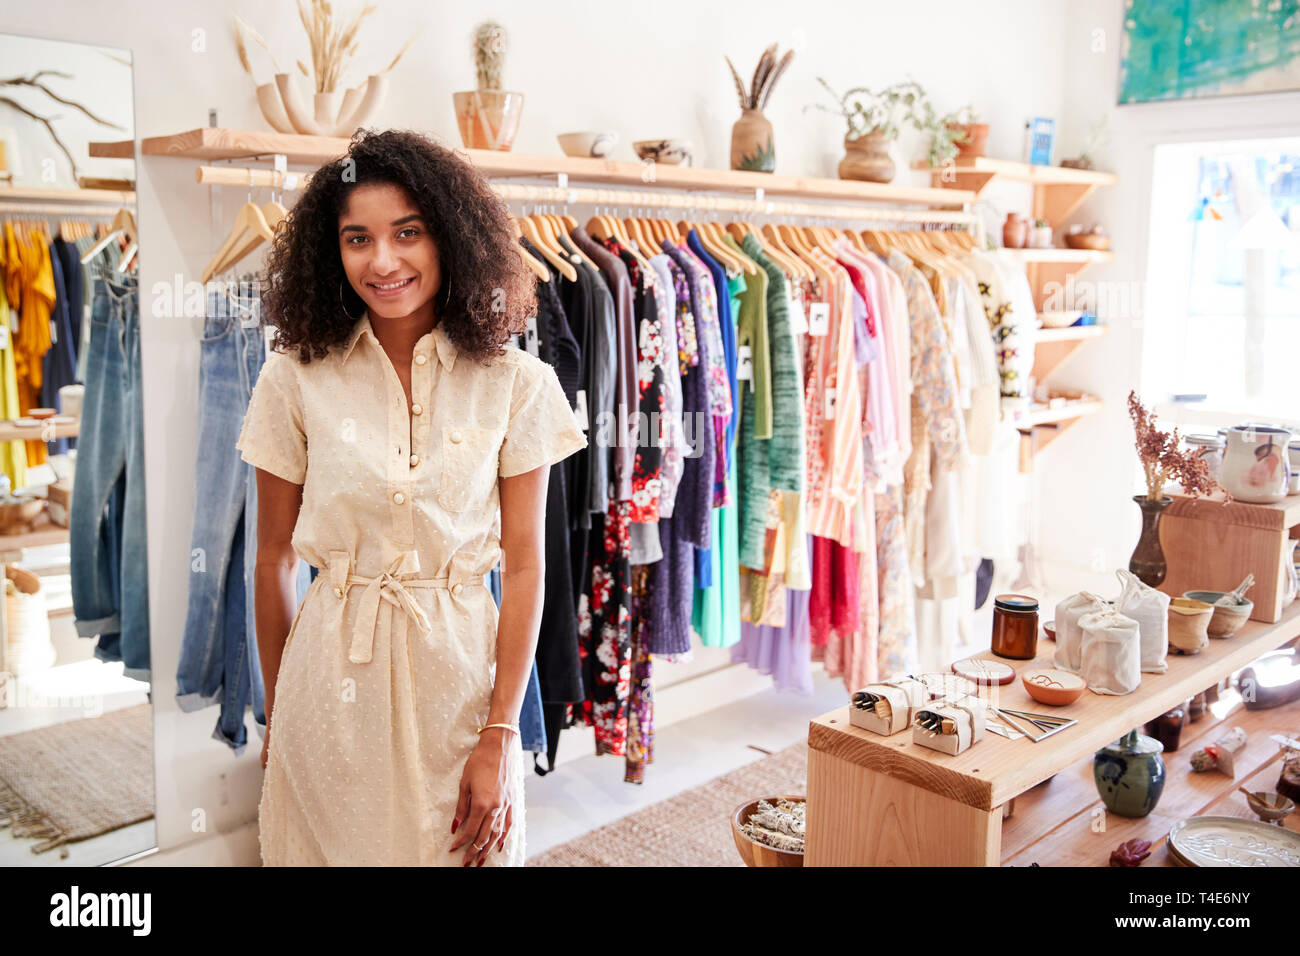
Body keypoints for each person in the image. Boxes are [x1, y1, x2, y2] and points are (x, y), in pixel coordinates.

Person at [235, 128, 587, 866]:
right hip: (327, 691)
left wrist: (499, 732)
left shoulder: (517, 385)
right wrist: (280, 713)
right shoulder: (293, 378)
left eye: (408, 233)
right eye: (357, 238)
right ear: (331, 252)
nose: (383, 260)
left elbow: (525, 568)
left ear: (451, 239)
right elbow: (271, 560)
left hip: (459, 691)